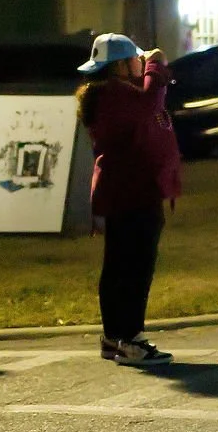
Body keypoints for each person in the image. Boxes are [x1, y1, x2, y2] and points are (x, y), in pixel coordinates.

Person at [78, 33, 182, 366]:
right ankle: (130, 338)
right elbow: (151, 102)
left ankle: (114, 338)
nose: (140, 63)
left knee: (119, 265)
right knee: (135, 267)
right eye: (135, 59)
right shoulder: (116, 94)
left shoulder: (107, 94)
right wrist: (156, 64)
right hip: (134, 191)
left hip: (123, 190)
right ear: (121, 65)